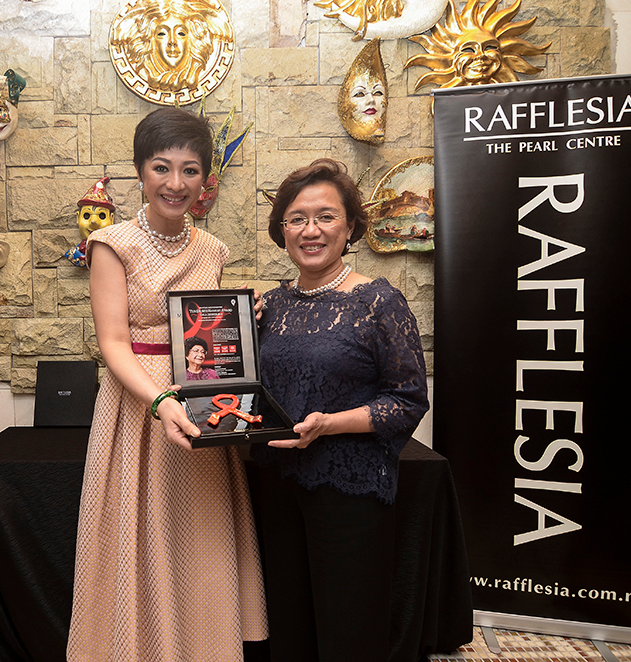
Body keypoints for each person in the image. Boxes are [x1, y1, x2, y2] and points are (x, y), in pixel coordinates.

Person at [67, 107, 267, 662]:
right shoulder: (112, 243)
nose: (175, 184)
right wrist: (158, 400)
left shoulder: (213, 250)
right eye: (161, 168)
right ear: (140, 172)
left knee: (197, 532)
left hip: (202, 407)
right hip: (138, 406)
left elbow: (213, 340)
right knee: (139, 534)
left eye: (189, 170)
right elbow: (112, 343)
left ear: (206, 179)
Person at [251, 158, 429, 661]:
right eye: (297, 218)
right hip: (275, 484)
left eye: (326, 217)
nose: (311, 230)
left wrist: (330, 425)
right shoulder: (271, 306)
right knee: (286, 624)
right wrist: (238, 326)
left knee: (348, 627)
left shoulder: (378, 301)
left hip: (348, 486)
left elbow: (408, 399)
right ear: (281, 229)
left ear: (350, 225)